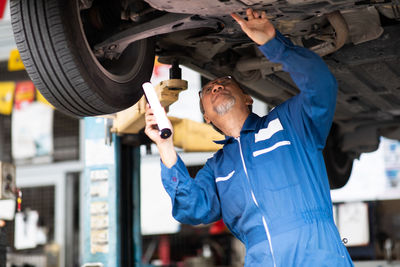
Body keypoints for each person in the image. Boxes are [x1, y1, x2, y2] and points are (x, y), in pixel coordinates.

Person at [145, 8, 354, 267]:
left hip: (319, 257)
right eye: (208, 91)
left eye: (224, 82)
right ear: (207, 118)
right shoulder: (217, 168)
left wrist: (273, 44)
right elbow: (192, 208)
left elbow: (321, 84)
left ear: (248, 98)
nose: (216, 87)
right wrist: (165, 146)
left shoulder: (289, 123)